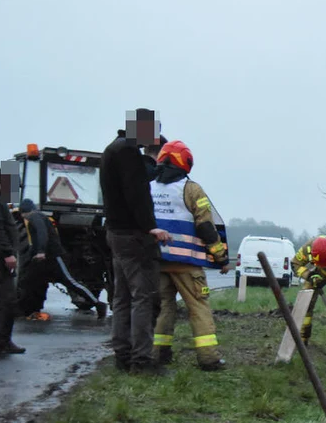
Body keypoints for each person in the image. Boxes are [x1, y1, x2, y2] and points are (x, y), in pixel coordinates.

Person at [99, 109, 170, 373]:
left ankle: (122, 355)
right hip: (133, 235)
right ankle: (141, 360)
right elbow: (136, 193)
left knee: (122, 297)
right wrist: (150, 227)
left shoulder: (112, 149)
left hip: (116, 233)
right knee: (144, 297)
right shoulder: (128, 152)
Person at [150, 140, 230, 371]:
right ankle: (208, 358)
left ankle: (158, 354)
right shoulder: (191, 189)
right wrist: (220, 256)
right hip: (187, 264)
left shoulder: (149, 187)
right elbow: (205, 227)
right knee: (199, 307)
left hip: (158, 261)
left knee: (163, 308)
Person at [14, 199, 107, 320]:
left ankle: (98, 304)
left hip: (53, 257)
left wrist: (40, 251)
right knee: (30, 281)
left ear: (23, 212)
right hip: (43, 259)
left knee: (69, 281)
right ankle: (27, 309)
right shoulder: (37, 216)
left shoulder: (35, 217)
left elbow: (42, 234)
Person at [0, 170, 24, 356]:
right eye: (15, 187)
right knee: (3, 301)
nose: (16, 191)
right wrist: (7, 254)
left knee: (5, 300)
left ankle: (4, 340)